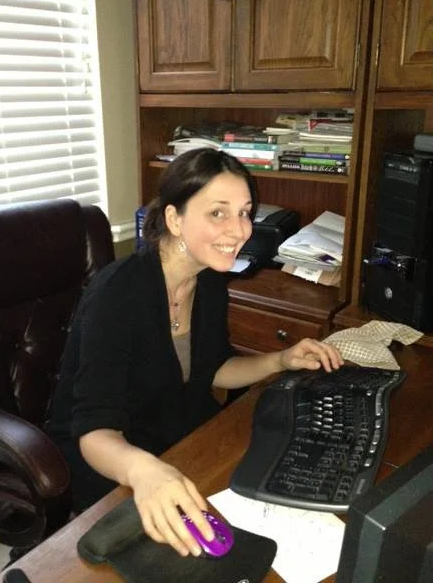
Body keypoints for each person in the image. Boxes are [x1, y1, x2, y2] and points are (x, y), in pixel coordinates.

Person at [47, 148, 343, 558]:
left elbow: (214, 368)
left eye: (245, 212)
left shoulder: (209, 279)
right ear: (174, 219)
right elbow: (94, 433)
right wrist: (144, 471)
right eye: (218, 213)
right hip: (114, 460)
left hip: (176, 438)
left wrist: (280, 360)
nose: (239, 230)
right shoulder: (117, 295)